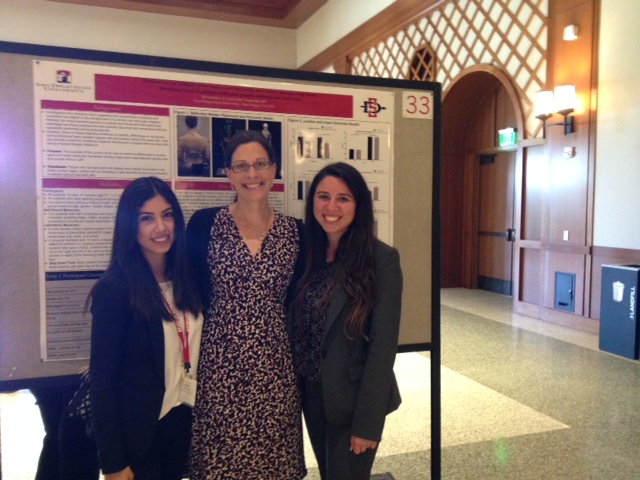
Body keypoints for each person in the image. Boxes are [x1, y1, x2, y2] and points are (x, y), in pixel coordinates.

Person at [187, 130, 305, 479]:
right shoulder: (205, 224)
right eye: (241, 166)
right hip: (218, 369)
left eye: (259, 165)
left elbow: (300, 302)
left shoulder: (296, 232)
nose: (251, 175)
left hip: (276, 371)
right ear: (228, 173)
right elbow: (188, 291)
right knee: (220, 466)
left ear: (274, 169)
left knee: (274, 466)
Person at [291, 162, 403, 480]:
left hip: (353, 402)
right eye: (324, 196)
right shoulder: (307, 254)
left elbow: (383, 348)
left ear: (359, 205)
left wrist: (368, 425)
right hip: (313, 395)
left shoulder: (381, 259)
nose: (331, 207)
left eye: (344, 199)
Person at [88, 177, 203, 480]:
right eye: (147, 218)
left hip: (180, 423)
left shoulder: (187, 278)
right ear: (130, 225)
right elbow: (102, 383)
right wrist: (112, 462)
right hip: (138, 436)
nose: (161, 228)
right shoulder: (115, 290)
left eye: (167, 215)